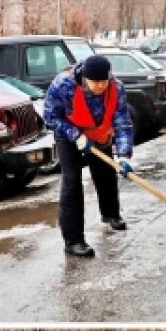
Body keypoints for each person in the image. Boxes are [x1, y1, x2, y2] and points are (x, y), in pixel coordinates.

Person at [43, 54, 134, 258]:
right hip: (69, 134)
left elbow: (122, 121)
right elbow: (49, 115)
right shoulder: (63, 85)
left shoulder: (116, 87)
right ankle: (73, 241)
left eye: (104, 81)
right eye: (96, 82)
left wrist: (124, 155)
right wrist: (76, 136)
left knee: (106, 173)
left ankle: (110, 214)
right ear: (85, 78)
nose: (101, 86)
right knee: (72, 182)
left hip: (99, 132)